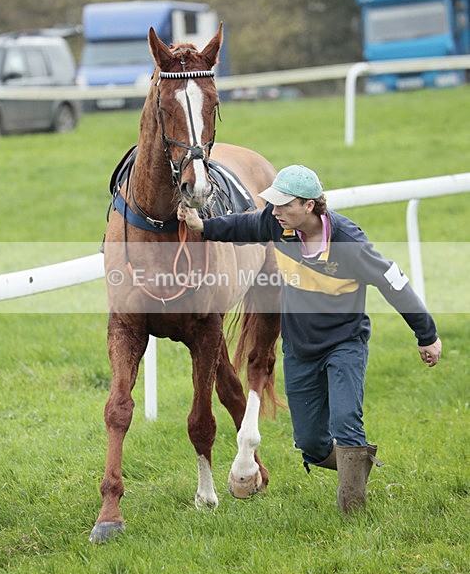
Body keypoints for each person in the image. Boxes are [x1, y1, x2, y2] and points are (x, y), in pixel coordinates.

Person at [177, 164, 442, 513]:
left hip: (344, 343)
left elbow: (392, 282)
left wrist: (427, 335)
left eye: (283, 205)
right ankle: (357, 462)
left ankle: (353, 513)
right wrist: (203, 227)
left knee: (346, 422)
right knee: (311, 444)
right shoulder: (277, 225)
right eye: (273, 204)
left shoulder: (349, 242)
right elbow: (243, 225)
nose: (275, 211)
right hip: (300, 349)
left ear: (309, 205)